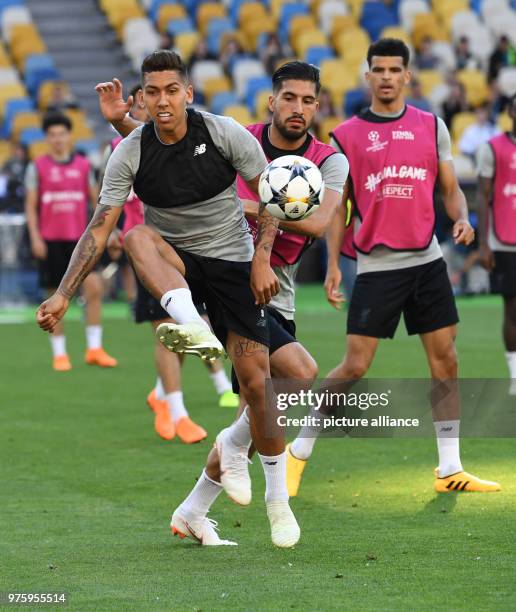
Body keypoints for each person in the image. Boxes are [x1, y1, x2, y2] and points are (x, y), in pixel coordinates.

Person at [36, 50, 300, 548]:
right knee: (135, 236)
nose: (162, 101)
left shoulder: (223, 133)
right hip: (173, 268)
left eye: (171, 90)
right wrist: (64, 294)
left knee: (274, 382)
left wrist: (262, 260)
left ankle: (243, 474)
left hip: (233, 268)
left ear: (188, 93)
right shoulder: (130, 152)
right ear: (142, 97)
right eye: (152, 92)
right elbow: (101, 226)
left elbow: (270, 196)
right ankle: (275, 499)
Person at [287, 38, 500, 496]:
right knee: (354, 366)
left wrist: (462, 217)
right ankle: (297, 451)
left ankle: (449, 469)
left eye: (394, 69)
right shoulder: (345, 136)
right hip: (377, 266)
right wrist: (332, 267)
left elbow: (450, 189)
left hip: (427, 261)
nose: (386, 76)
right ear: (367, 76)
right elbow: (338, 207)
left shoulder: (432, 126)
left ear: (407, 76)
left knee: (446, 361)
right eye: (378, 69)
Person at [168, 61, 349, 543]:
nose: (298, 108)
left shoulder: (330, 159)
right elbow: (175, 157)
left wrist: (246, 203)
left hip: (279, 288)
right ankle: (274, 502)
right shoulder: (236, 138)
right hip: (228, 278)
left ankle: (192, 508)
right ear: (272, 101)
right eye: (289, 98)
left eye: (308, 100)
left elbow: (314, 223)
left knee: (260, 412)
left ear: (318, 105)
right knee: (295, 375)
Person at [102, 85, 238, 444]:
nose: (156, 107)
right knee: (168, 330)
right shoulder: (124, 151)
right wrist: (117, 232)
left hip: (188, 251)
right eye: (147, 101)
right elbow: (111, 200)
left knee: (190, 329)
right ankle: (179, 414)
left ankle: (164, 395)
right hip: (148, 251)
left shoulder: (185, 146)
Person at [25, 112, 117, 371]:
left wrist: (106, 231)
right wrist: (35, 237)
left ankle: (95, 348)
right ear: (47, 138)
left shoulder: (83, 166)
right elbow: (31, 206)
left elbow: (97, 202)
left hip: (82, 241)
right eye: (52, 135)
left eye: (62, 134)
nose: (57, 139)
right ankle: (60, 353)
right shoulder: (38, 167)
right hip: (51, 240)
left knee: (95, 288)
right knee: (53, 296)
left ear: (69, 136)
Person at [478, 93, 516, 395]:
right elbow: (483, 196)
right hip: (504, 242)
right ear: (509, 113)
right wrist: (483, 245)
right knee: (512, 310)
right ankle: (515, 375)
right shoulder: (493, 148)